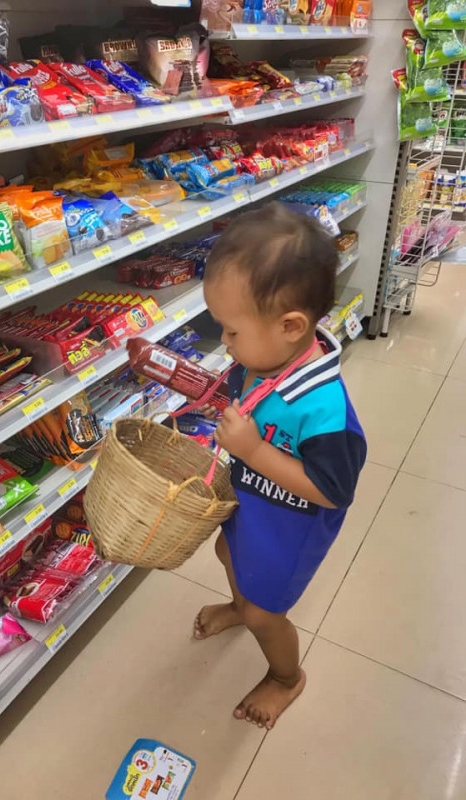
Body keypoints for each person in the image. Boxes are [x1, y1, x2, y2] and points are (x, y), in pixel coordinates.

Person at [195, 202, 367, 730]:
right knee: (227, 551)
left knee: (265, 613)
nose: (224, 343)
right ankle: (237, 604)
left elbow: (332, 491)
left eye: (231, 331)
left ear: (291, 326)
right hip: (251, 503)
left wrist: (253, 451)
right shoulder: (263, 359)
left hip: (291, 526)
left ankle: (286, 676)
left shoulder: (323, 409)